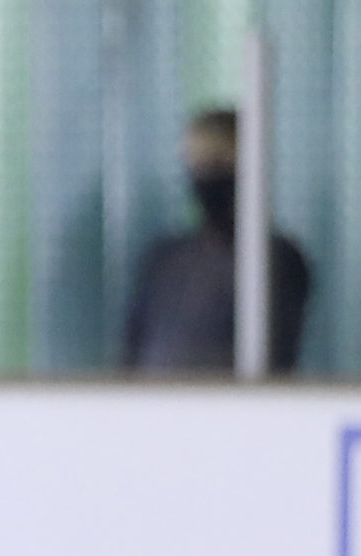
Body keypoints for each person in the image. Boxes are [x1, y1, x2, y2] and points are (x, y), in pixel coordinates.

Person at [124, 107, 311, 375]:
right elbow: (132, 353)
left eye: (219, 164)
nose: (206, 177)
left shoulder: (274, 259)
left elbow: (275, 357)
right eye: (197, 165)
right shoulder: (164, 258)